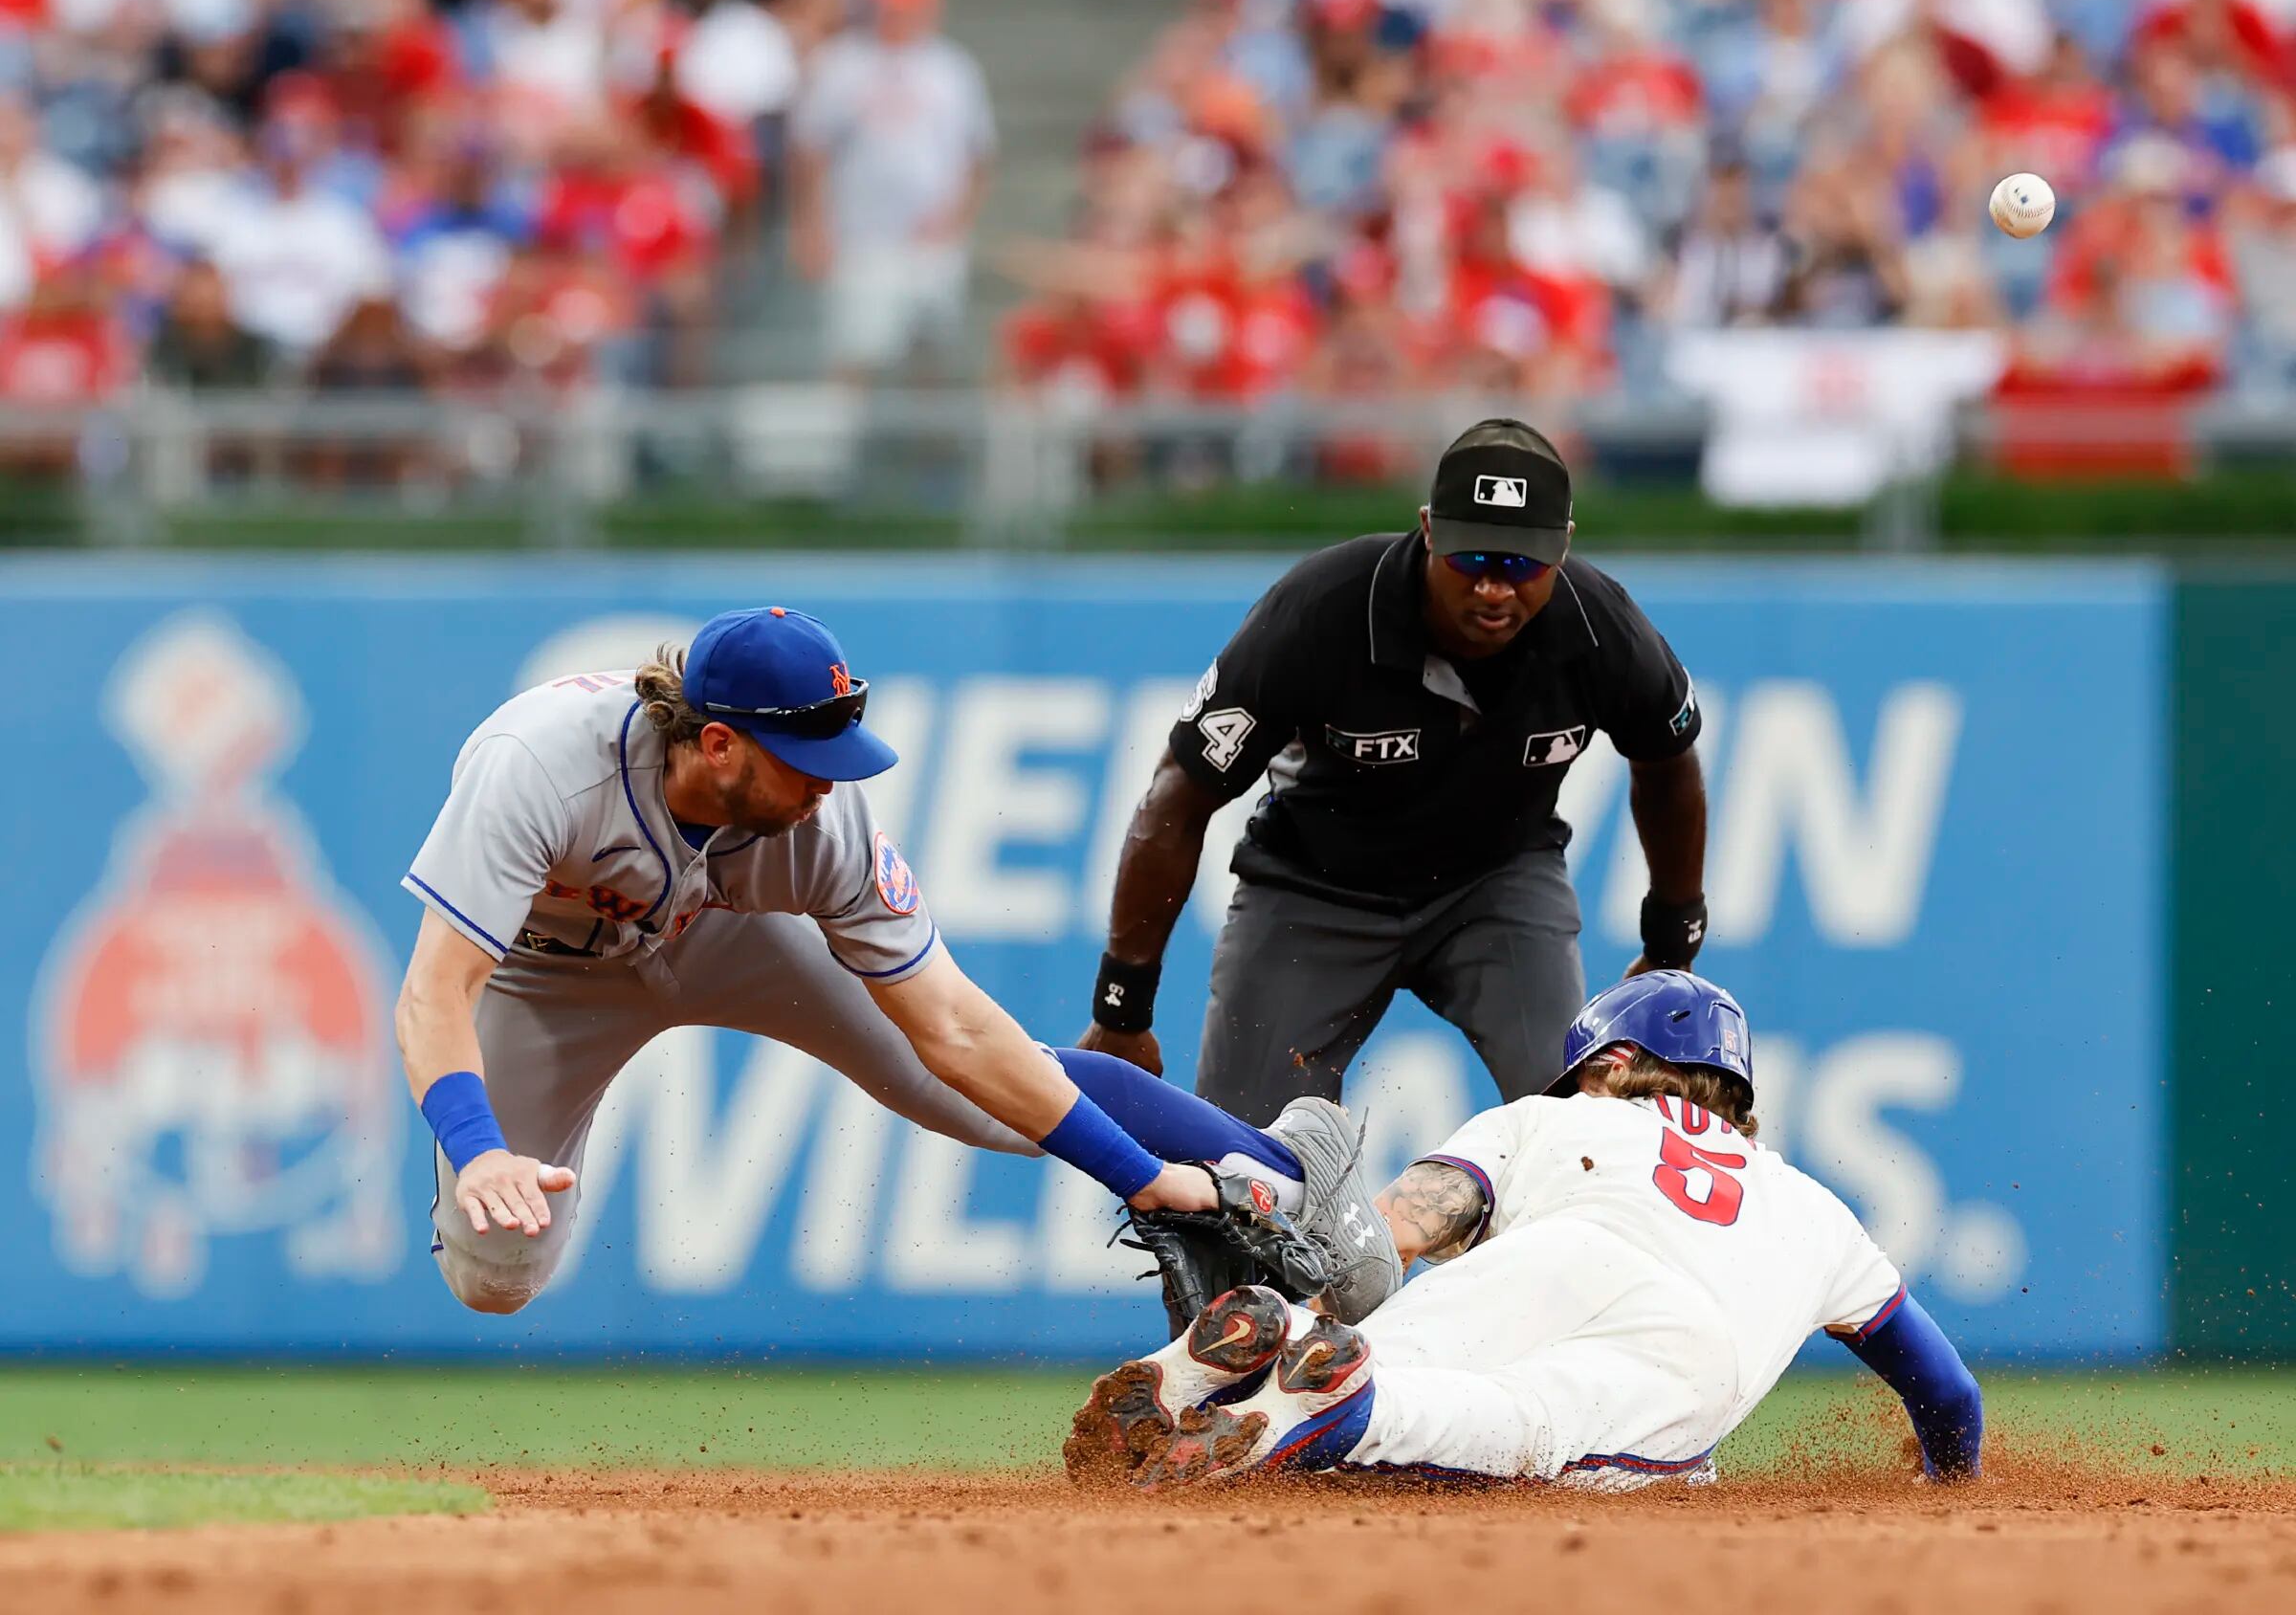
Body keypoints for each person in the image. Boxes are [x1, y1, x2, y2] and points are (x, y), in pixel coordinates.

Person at [396, 605, 1400, 1317]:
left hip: (724, 934)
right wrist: (479, 1145)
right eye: (808, 764)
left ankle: (1289, 1162)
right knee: (496, 1274)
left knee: (985, 1094)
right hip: (548, 972)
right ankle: (494, 1194)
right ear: (717, 746)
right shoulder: (540, 768)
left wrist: (1139, 1177)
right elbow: (436, 989)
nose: (829, 790)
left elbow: (957, 1030)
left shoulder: (821, 824)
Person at [1066, 972, 1985, 1491]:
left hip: (1547, 1253)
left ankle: (1267, 1346)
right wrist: (1948, 1479)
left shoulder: (1547, 1121)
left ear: (1613, 1062)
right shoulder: (1818, 1211)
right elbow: (1949, 1392)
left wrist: (1296, 1265)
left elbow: (1388, 1239)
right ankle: (1349, 1409)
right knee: (1527, 1427)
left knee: (1372, 1349)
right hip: (1682, 1345)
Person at [1080, 418, 1708, 1123]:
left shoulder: (1603, 629)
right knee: (1236, 1160)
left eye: (1522, 564)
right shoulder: (1322, 612)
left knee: (1572, 1125)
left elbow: (1668, 762)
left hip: (1498, 883)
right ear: (1429, 530)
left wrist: (1671, 944)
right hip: (1315, 889)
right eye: (1473, 561)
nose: (1496, 591)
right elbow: (1179, 795)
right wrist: (1123, 1006)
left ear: (1563, 545)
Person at [787, 0, 994, 383]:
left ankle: (926, 444)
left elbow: (978, 157)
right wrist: (811, 226)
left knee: (932, 359)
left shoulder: (953, 69)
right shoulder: (844, 64)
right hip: (861, 239)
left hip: (930, 243)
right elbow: (810, 152)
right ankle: (842, 441)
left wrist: (955, 220)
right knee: (854, 352)